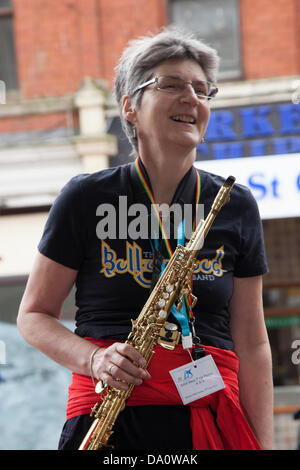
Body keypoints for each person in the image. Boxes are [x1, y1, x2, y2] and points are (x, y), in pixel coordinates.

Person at [17, 27, 273, 451]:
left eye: (201, 89)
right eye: (171, 85)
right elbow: (34, 316)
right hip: (110, 423)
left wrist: (261, 444)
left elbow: (253, 342)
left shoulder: (236, 204)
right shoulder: (85, 197)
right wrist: (94, 360)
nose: (191, 97)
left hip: (212, 421)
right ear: (130, 108)